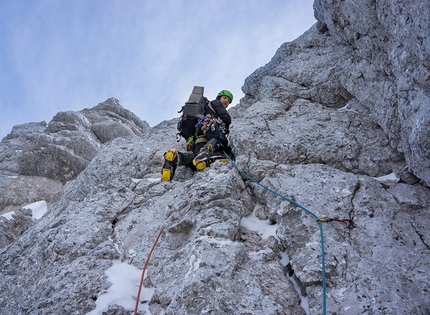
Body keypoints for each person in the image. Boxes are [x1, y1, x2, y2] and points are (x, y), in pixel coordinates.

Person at [161, 90, 233, 181]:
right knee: (222, 141)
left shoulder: (206, 109)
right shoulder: (216, 103)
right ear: (219, 98)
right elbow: (226, 118)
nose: (226, 101)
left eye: (229, 101)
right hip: (211, 129)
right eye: (225, 98)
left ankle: (176, 157)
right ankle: (205, 153)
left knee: (196, 160)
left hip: (199, 137)